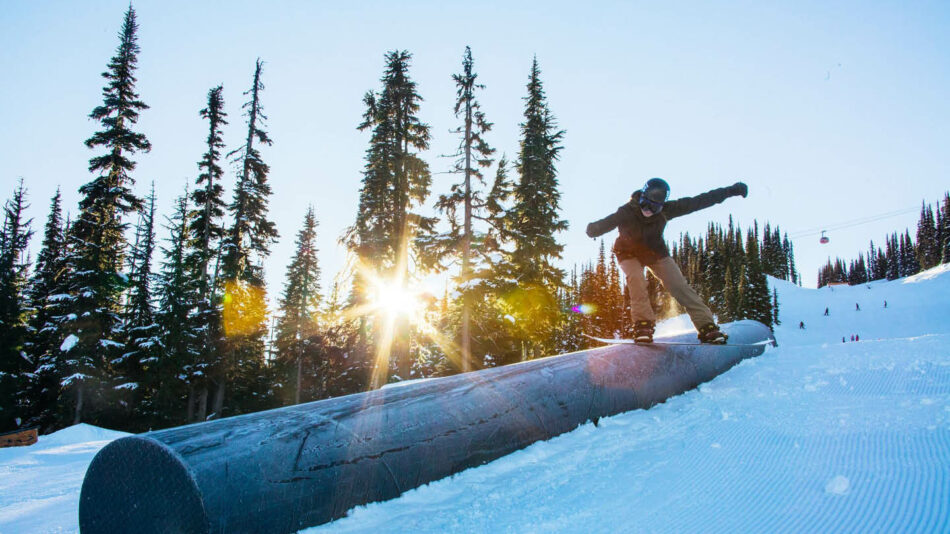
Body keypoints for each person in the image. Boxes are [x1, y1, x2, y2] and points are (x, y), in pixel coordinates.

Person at [586, 177, 748, 344]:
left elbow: (700, 201)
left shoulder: (668, 210)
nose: (649, 210)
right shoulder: (626, 211)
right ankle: (643, 325)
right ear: (641, 197)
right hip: (628, 254)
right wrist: (594, 229)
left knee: (679, 285)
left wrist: (731, 190)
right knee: (636, 279)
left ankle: (707, 326)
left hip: (655, 253)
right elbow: (609, 222)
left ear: (661, 206)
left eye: (655, 207)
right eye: (646, 204)